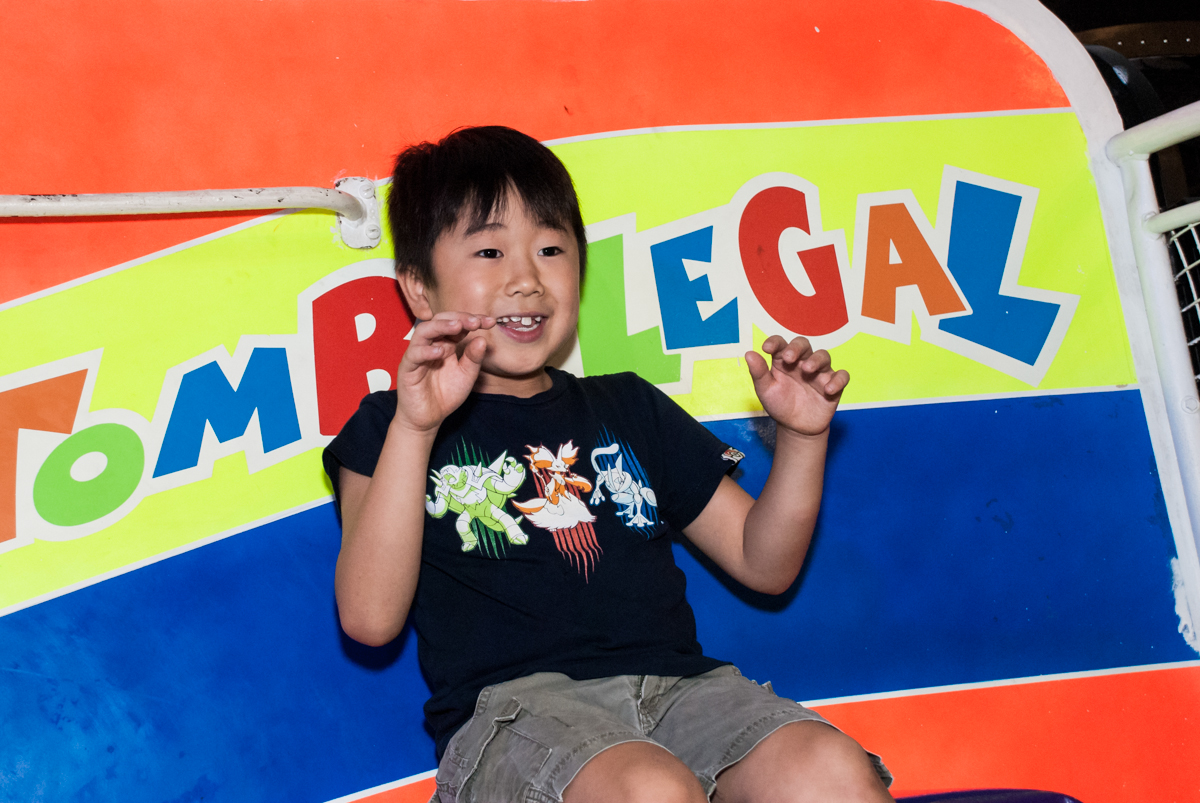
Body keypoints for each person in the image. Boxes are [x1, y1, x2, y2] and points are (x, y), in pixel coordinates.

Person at [324, 126, 893, 803]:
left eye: (551, 248)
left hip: (681, 694)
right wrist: (418, 425)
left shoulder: (627, 405)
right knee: (650, 788)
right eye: (489, 249)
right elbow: (368, 618)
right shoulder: (391, 426)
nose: (526, 277)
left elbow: (762, 562)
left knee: (828, 769)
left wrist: (802, 438)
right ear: (420, 290)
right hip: (514, 721)